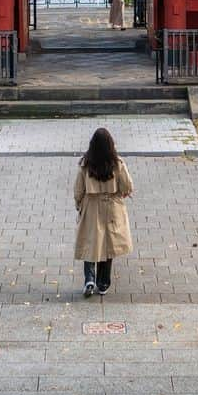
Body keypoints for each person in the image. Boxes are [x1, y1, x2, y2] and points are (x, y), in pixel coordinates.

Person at [74, 127, 133, 297]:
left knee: (89, 242)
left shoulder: (85, 164)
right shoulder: (118, 164)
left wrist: (79, 205)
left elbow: (78, 189)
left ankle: (89, 279)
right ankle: (103, 282)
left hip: (91, 207)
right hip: (112, 208)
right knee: (108, 245)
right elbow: (127, 186)